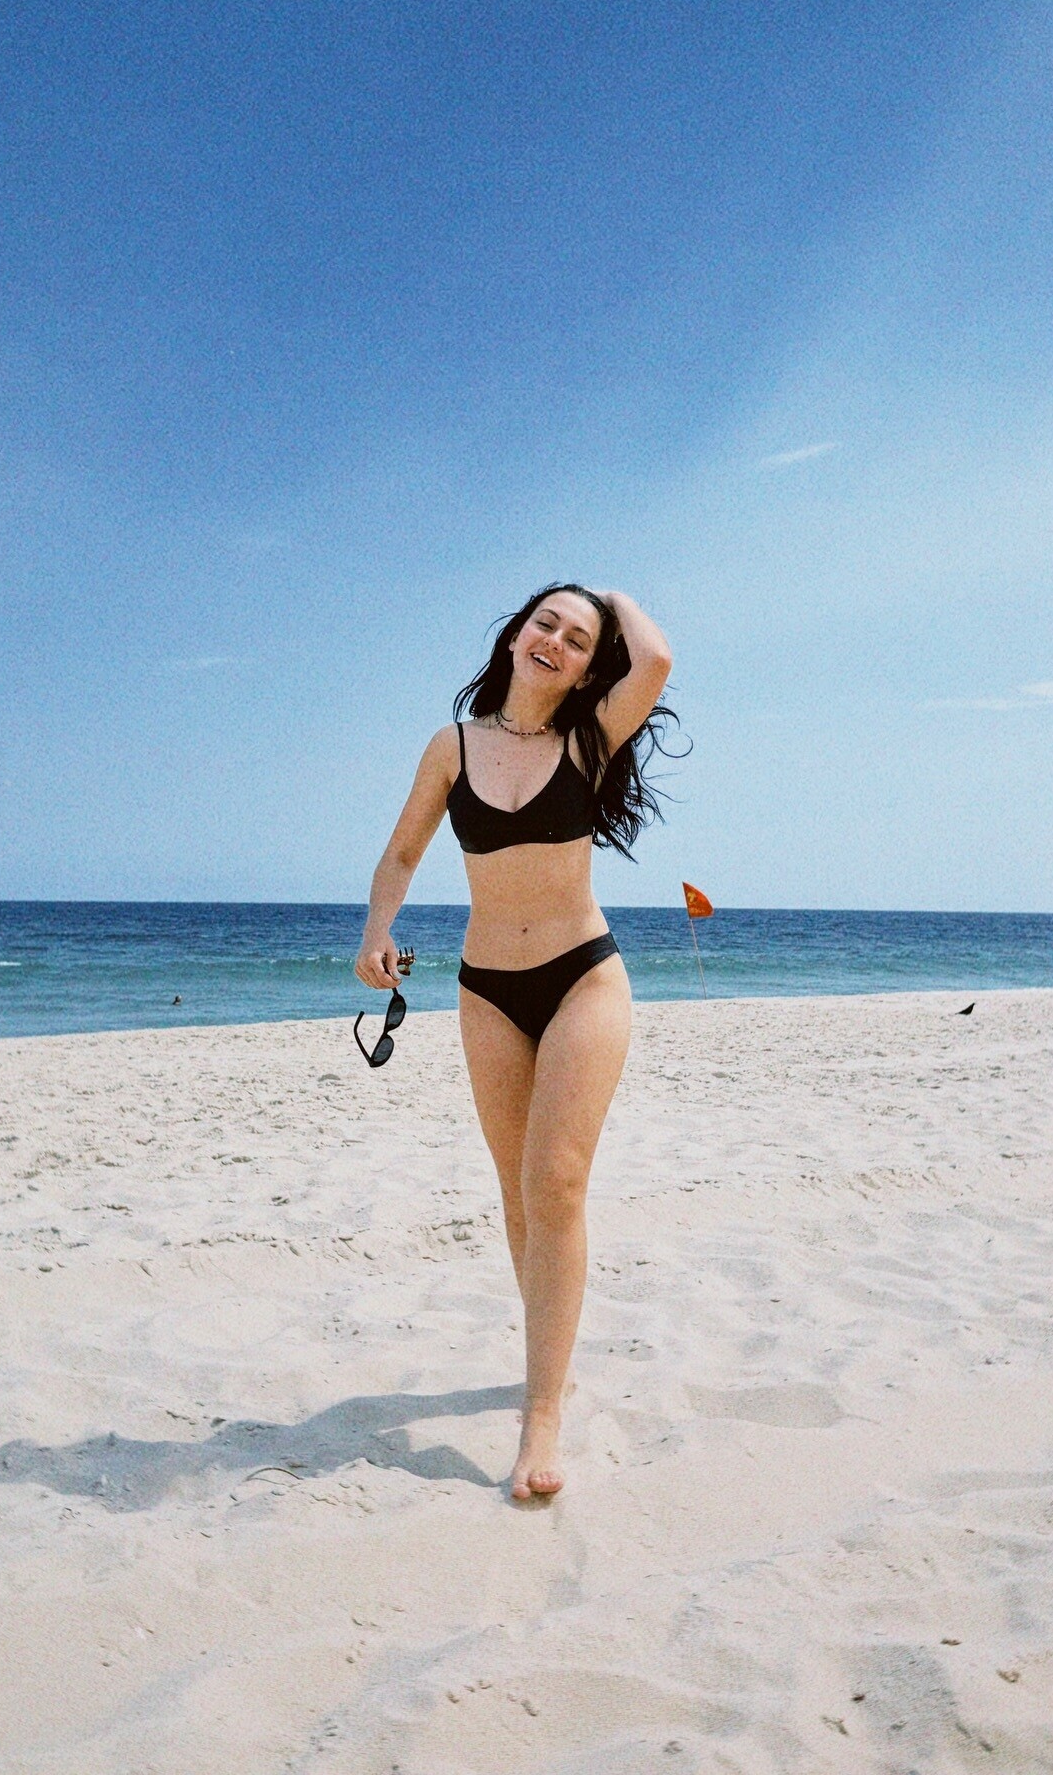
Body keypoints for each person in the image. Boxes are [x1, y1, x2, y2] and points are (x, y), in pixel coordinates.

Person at [355, 584, 677, 1499]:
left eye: (579, 640)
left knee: (556, 1182)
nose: (557, 642)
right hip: (487, 991)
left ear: (586, 669)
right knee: (516, 1192)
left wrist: (607, 598)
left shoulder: (589, 738)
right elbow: (403, 853)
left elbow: (655, 659)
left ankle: (541, 1419)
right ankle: (549, 1354)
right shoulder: (451, 746)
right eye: (546, 623)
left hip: (583, 979)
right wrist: (378, 929)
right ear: (514, 636)